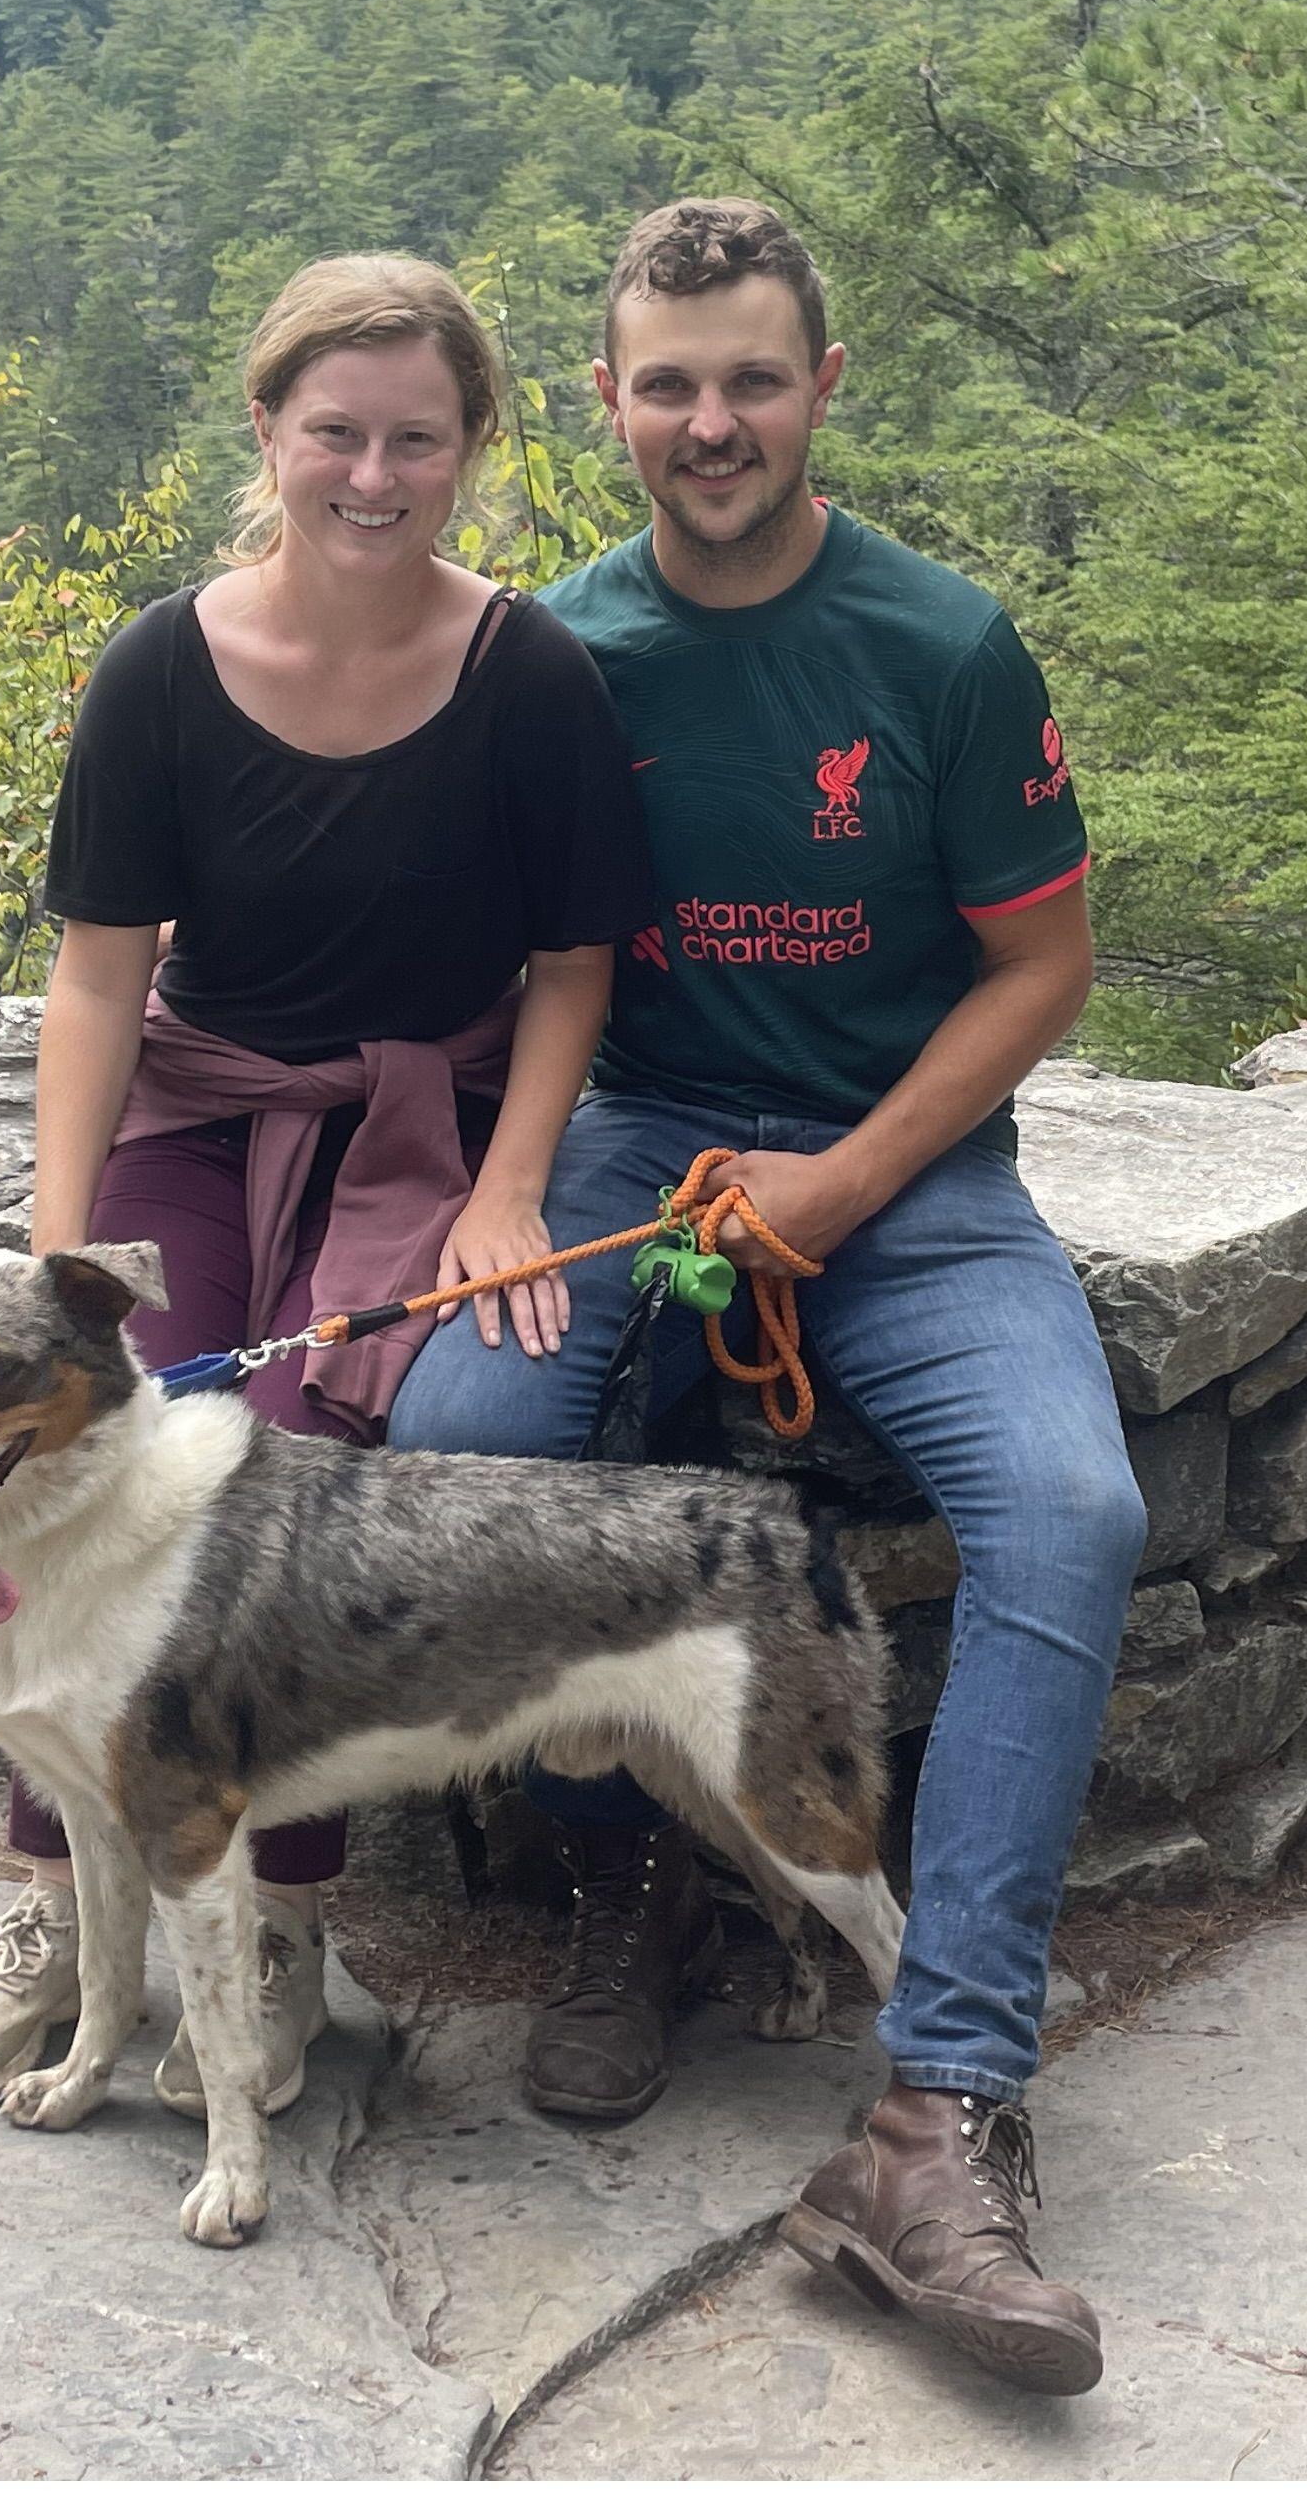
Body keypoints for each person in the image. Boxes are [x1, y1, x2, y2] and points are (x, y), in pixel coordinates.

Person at [387, 195, 1144, 2397]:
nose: (707, 423)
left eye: (748, 379)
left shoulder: (942, 647)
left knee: (1068, 1513)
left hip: (907, 1168)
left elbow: (1042, 966)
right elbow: (549, 964)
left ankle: (942, 2109)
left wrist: (846, 1182)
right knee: (465, 1451)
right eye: (664, 384)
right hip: (638, 1141)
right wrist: (512, 1187)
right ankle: (626, 1888)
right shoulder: (564, 655)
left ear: (824, 385)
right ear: (608, 401)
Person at [0, 254, 657, 2119]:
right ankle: (66, 1920)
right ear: (269, 432)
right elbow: (100, 968)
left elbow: (573, 971)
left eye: (417, 438)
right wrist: (57, 1245)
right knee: (74, 1447)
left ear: (474, 447)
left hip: (419, 1129)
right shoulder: (166, 664)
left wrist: (512, 1191)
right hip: (202, 1103)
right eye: (337, 433)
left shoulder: (527, 673)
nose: (373, 476)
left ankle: (283, 1921)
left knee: (300, 1464)